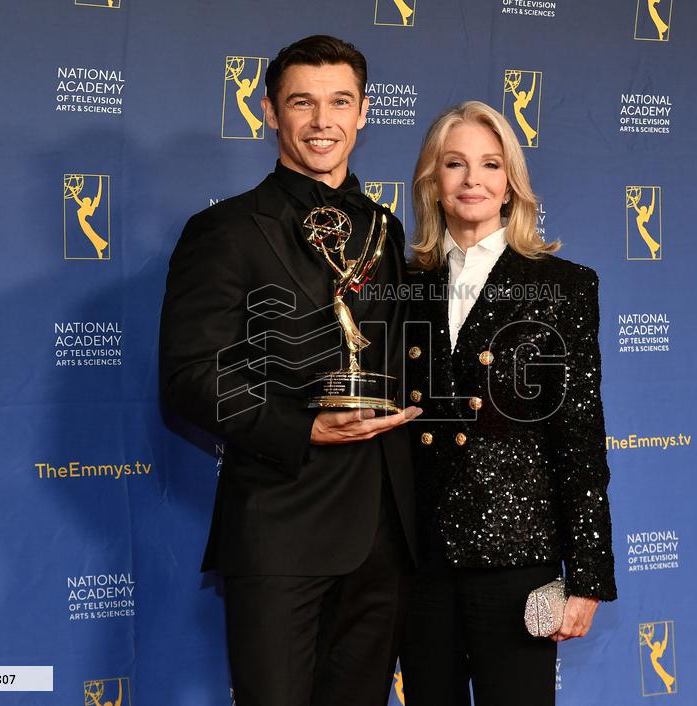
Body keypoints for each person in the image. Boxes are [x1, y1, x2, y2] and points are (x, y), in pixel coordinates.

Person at [159, 35, 420, 706]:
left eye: (340, 102)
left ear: (364, 113)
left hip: (385, 538)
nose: (322, 121)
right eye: (302, 102)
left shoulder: (388, 231)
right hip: (280, 528)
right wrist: (304, 430)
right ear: (270, 112)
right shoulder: (226, 231)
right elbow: (190, 374)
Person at [399, 101, 617, 706]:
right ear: (431, 183)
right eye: (455, 164)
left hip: (518, 554)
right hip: (420, 563)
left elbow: (578, 434)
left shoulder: (563, 285)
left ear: (511, 184)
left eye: (490, 165)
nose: (473, 180)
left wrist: (589, 575)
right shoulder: (401, 285)